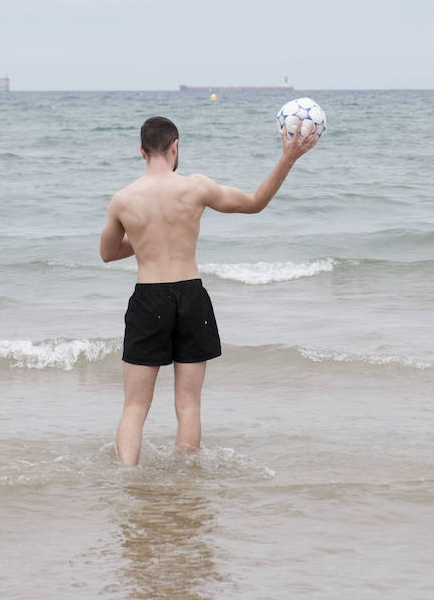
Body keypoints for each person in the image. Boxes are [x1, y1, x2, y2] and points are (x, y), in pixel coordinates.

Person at [99, 115, 318, 465]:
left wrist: (144, 238)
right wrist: (287, 159)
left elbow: (108, 253)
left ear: (141, 151)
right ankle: (186, 484)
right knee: (188, 404)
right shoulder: (196, 187)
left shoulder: (123, 200)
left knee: (135, 405)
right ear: (175, 147)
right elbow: (255, 203)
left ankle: (126, 479)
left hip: (148, 299)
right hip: (190, 296)